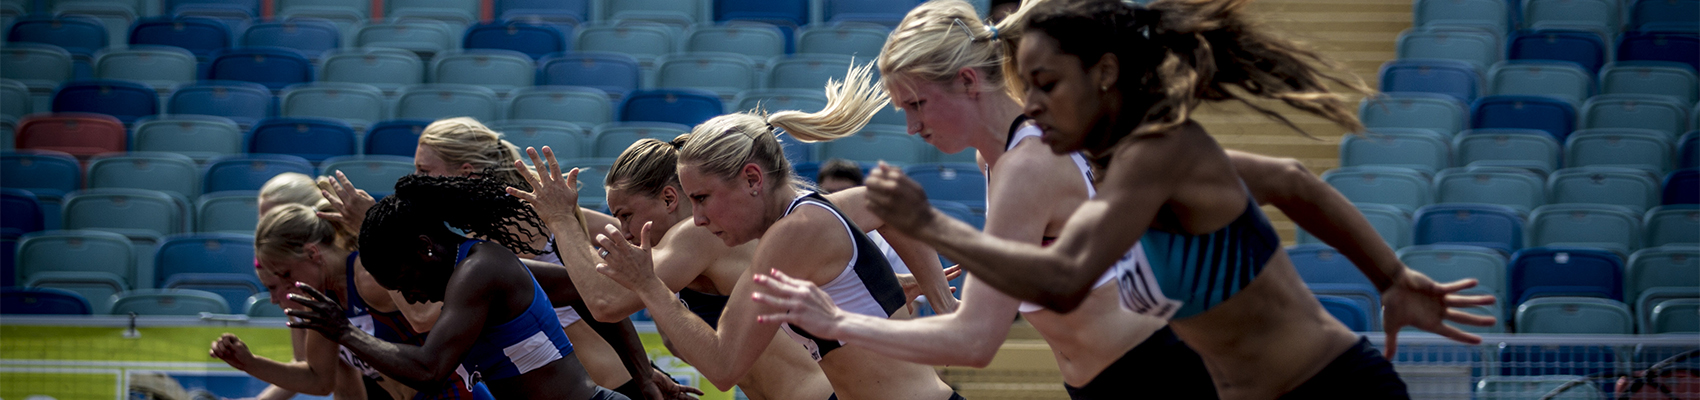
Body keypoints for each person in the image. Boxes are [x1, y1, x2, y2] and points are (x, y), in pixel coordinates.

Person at [852, 0, 1498, 398]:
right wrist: (1390, 278)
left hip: (1278, 382)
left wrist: (850, 309)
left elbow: (1025, 302)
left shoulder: (1122, 156)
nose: (1034, 109)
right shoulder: (1071, 163)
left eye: (1047, 87)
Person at [524, 63, 963, 400]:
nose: (698, 218)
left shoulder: (789, 234)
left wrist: (641, 280)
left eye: (702, 199)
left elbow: (721, 365)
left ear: (752, 179)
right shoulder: (797, 221)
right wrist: (879, 286)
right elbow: (888, 204)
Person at [316, 117, 641, 394]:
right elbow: (593, 284)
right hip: (613, 377)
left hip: (594, 384)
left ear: (466, 172)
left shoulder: (483, 245)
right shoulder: (535, 211)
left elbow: (424, 318)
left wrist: (374, 233)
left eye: (424, 169)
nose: (415, 180)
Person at [287, 174, 625, 400]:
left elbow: (428, 369)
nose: (409, 297)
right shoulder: (480, 268)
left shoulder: (478, 270)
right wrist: (645, 375)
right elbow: (578, 288)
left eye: (405, 283)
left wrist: (344, 330)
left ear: (425, 248)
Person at [213, 203, 469, 400]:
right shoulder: (326, 303)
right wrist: (249, 362)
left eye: (287, 275)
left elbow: (433, 315)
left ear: (312, 253)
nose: (288, 288)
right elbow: (319, 380)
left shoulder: (367, 276)